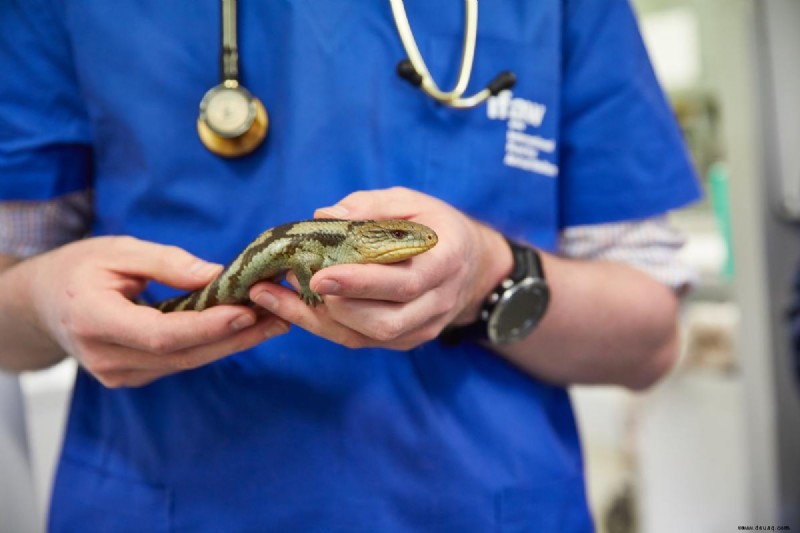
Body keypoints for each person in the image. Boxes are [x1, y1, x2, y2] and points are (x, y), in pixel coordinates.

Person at [0, 0, 700, 530]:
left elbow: (651, 341)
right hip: (164, 502)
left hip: (479, 507)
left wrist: (485, 274)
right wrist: (39, 302)